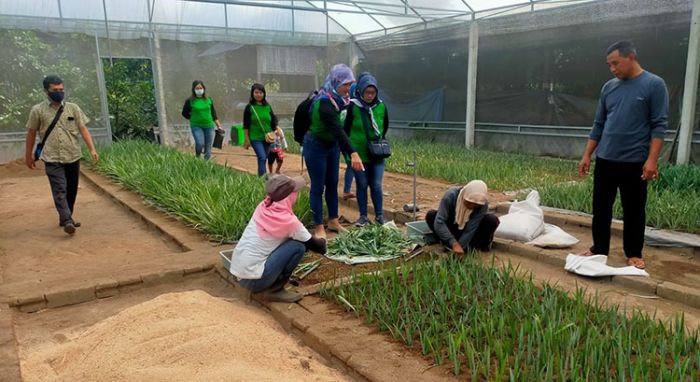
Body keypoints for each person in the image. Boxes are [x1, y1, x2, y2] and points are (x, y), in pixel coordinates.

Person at [578, 41, 668, 270]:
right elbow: (599, 124)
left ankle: (634, 253)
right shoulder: (609, 87)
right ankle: (599, 248)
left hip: (635, 161)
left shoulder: (654, 85)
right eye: (609, 65)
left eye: (615, 63)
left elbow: (659, 126)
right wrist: (587, 155)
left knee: (634, 209)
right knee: (601, 207)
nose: (612, 69)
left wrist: (652, 160)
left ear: (631, 57)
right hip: (606, 159)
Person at [229, 175, 327, 302]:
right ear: (288, 197)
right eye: (295, 192)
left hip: (239, 274)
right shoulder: (289, 222)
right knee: (298, 247)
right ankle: (274, 290)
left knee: (293, 241)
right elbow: (320, 248)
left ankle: (270, 280)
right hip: (254, 282)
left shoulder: (263, 207)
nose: (297, 194)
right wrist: (322, 238)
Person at [24, 75, 99, 235]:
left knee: (71, 190)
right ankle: (67, 220)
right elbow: (31, 133)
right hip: (52, 157)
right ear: (46, 91)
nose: (59, 93)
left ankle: (66, 216)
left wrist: (92, 148)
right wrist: (28, 155)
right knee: (60, 189)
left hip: (73, 155)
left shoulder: (73, 108)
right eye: (55, 90)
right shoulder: (38, 110)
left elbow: (83, 129)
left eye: (61, 90)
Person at [302, 64, 363, 238]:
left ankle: (333, 221)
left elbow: (344, 128)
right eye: (346, 84)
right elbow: (337, 129)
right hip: (316, 146)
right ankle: (319, 227)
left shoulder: (343, 100)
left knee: (332, 183)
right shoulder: (324, 102)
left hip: (332, 146)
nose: (349, 87)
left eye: (352, 83)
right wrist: (353, 152)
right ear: (336, 82)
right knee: (317, 186)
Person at [344, 72, 390, 226]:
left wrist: (376, 142)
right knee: (362, 184)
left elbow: (385, 125)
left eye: (373, 92)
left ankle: (379, 216)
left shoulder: (381, 106)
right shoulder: (352, 107)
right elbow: (346, 129)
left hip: (377, 153)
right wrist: (350, 151)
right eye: (367, 92)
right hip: (359, 154)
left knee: (376, 185)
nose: (370, 96)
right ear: (360, 91)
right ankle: (363, 216)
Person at [425, 180, 500, 255]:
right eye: (468, 202)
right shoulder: (451, 196)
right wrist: (453, 243)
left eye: (475, 204)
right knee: (431, 215)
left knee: (492, 220)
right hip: (453, 227)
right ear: (464, 195)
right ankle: (448, 243)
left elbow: (471, 229)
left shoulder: (482, 204)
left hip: (470, 233)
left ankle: (475, 247)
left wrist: (460, 246)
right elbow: (439, 222)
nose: (471, 206)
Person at [243, 83, 279, 176]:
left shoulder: (267, 106)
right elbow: (246, 125)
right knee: (262, 157)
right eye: (256, 92)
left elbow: (273, 119)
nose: (259, 94)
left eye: (261, 92)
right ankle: (263, 178)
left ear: (264, 94)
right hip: (255, 137)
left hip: (267, 137)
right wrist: (246, 139)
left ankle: (261, 177)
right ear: (252, 94)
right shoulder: (249, 107)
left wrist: (276, 129)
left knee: (265, 157)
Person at [181, 80, 223, 160]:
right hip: (196, 126)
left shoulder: (208, 100)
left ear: (204, 88)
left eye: (201, 88)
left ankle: (206, 163)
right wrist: (192, 118)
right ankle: (197, 157)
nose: (199, 90)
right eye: (197, 88)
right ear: (194, 89)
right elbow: (184, 113)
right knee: (200, 143)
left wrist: (219, 126)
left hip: (209, 126)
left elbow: (213, 114)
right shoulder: (190, 101)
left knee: (208, 146)